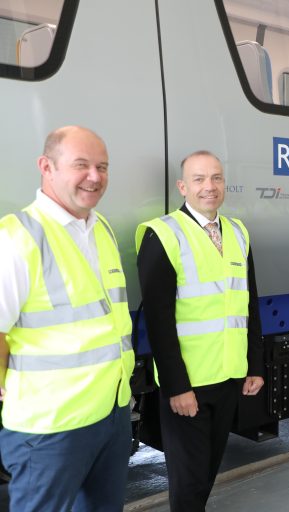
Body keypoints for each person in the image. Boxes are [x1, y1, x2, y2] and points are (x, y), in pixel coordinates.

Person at [0, 126, 135, 511]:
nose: (95, 176)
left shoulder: (101, 228)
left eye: (102, 167)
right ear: (46, 167)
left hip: (111, 413)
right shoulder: (17, 237)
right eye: (81, 165)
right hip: (49, 428)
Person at [136, 151, 264, 510]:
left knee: (206, 473)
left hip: (228, 376)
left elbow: (250, 305)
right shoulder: (163, 234)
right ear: (183, 187)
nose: (210, 186)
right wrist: (177, 386)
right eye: (199, 179)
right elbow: (158, 321)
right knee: (189, 481)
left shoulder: (238, 232)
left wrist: (255, 365)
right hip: (188, 384)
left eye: (216, 178)